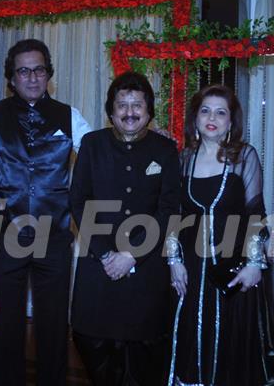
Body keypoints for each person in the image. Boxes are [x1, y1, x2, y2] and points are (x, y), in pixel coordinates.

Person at [0, 38, 91, 386]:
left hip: (54, 233)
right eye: (24, 71)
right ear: (12, 77)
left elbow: (96, 152)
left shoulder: (70, 115)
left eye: (39, 70)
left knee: (52, 323)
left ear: (48, 74)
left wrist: (140, 138)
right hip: (4, 232)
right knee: (6, 322)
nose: (32, 77)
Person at [166, 84, 274, 385]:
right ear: (195, 118)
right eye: (205, 110)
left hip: (234, 268)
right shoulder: (183, 159)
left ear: (231, 121)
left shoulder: (244, 156)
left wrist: (255, 265)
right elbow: (173, 215)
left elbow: (256, 213)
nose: (212, 118)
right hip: (191, 269)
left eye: (221, 112)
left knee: (232, 346)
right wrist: (174, 261)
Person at [69, 71, 180, 386]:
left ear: (149, 112)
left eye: (137, 106)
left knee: (144, 354)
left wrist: (132, 255)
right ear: (110, 111)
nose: (130, 112)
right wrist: (106, 255)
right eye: (122, 105)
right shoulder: (92, 144)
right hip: (97, 264)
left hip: (146, 268)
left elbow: (169, 209)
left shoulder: (165, 150)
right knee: (91, 342)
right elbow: (79, 201)